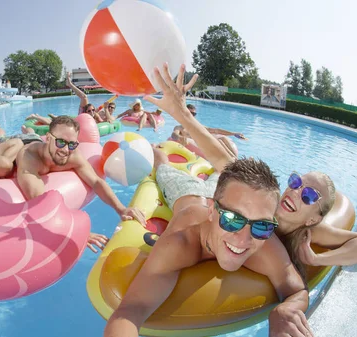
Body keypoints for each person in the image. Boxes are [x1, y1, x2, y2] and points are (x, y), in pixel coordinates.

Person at [103, 62, 316, 337]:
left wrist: (283, 311)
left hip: (224, 192)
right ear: (214, 212)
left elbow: (297, 290)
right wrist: (179, 118)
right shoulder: (180, 243)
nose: (244, 239)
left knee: (225, 173)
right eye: (232, 220)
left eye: (262, 226)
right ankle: (160, 155)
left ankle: (217, 182)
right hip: (186, 195)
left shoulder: (264, 242)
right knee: (164, 171)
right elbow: (129, 313)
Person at [147, 64, 357, 273]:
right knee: (166, 171)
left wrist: (317, 260)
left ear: (313, 219)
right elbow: (221, 158)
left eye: (309, 195)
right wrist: (182, 114)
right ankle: (156, 151)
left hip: (213, 195)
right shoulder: (262, 202)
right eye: (295, 182)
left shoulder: (310, 232)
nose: (294, 191)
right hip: (205, 199)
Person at [4, 116, 147, 252]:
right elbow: (41, 202)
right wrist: (76, 232)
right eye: (61, 142)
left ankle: (30, 131)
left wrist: (121, 209)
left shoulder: (72, 155)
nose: (66, 149)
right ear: (48, 138)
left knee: (32, 133)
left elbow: (96, 182)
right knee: (5, 145)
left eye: (71, 144)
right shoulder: (29, 158)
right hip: (21, 143)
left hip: (39, 141)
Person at [171, 104, 246, 158]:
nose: (191, 115)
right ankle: (234, 161)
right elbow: (174, 134)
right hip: (195, 147)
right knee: (219, 141)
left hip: (203, 145)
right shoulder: (180, 127)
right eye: (190, 113)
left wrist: (233, 133)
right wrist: (179, 137)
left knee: (223, 138)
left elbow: (215, 130)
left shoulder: (197, 126)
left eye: (194, 114)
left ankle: (235, 160)